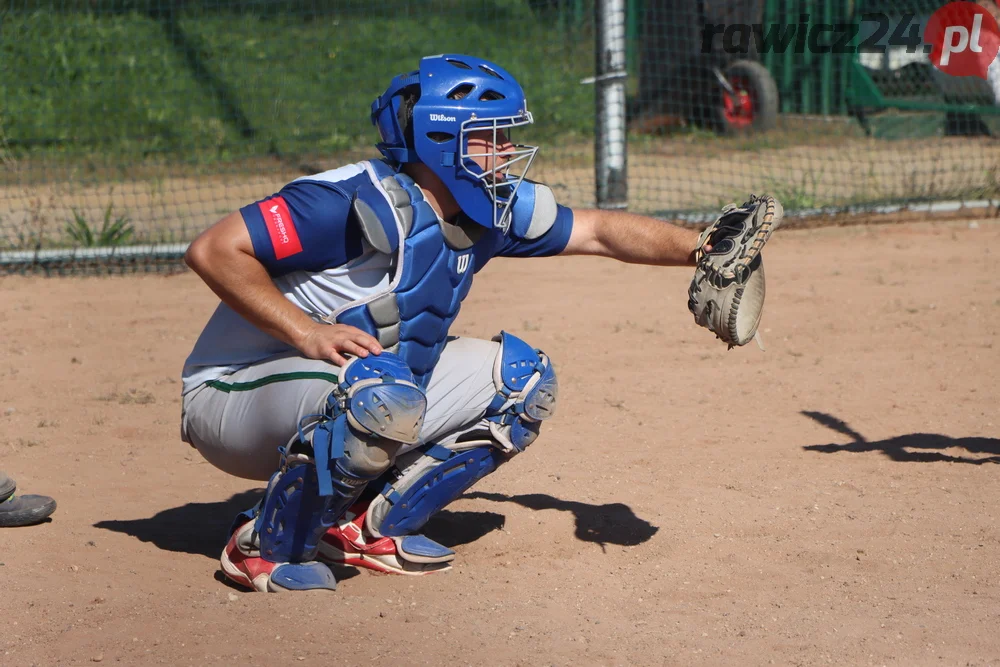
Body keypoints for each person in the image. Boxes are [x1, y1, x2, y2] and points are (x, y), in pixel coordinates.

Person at [180, 54, 778, 592]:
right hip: (234, 392)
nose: (506, 152)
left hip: (351, 390)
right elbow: (214, 250)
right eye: (490, 137)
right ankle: (264, 544)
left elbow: (597, 230)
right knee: (376, 386)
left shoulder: (486, 209)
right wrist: (305, 331)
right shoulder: (344, 201)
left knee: (521, 381)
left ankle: (361, 529)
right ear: (441, 140)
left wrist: (700, 248)